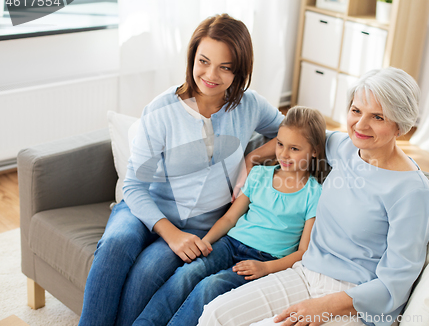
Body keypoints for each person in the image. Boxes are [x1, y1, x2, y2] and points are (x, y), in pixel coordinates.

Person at [78, 14, 285, 326]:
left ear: (239, 70)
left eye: (225, 67)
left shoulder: (249, 105)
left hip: (199, 226)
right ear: (192, 57)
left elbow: (293, 132)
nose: (210, 74)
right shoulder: (162, 109)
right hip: (142, 208)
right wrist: (171, 234)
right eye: (203, 61)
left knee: (148, 271)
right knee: (117, 244)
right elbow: (134, 186)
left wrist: (252, 158)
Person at [198, 67, 429, 326]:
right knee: (215, 314)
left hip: (355, 301)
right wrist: (251, 159)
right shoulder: (345, 148)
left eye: (377, 117)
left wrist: (326, 305)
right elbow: (297, 136)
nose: (361, 124)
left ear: (400, 124)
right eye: (356, 111)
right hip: (306, 273)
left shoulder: (411, 192)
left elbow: (396, 283)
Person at [132, 106, 329, 326]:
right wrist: (206, 242)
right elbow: (229, 219)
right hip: (229, 244)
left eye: (294, 148)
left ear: (314, 150)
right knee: (187, 274)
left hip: (263, 260)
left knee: (211, 286)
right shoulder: (259, 175)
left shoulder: (315, 193)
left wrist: (266, 268)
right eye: (280, 144)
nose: (283, 154)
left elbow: (303, 252)